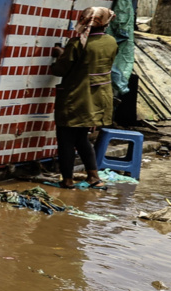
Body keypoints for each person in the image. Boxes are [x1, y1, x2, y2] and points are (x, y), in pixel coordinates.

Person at [50, 7, 119, 188]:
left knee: (65, 139)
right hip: (97, 98)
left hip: (76, 97)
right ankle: (93, 177)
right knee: (81, 137)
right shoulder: (111, 42)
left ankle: (67, 180)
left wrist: (59, 55)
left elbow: (60, 70)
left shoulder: (77, 43)